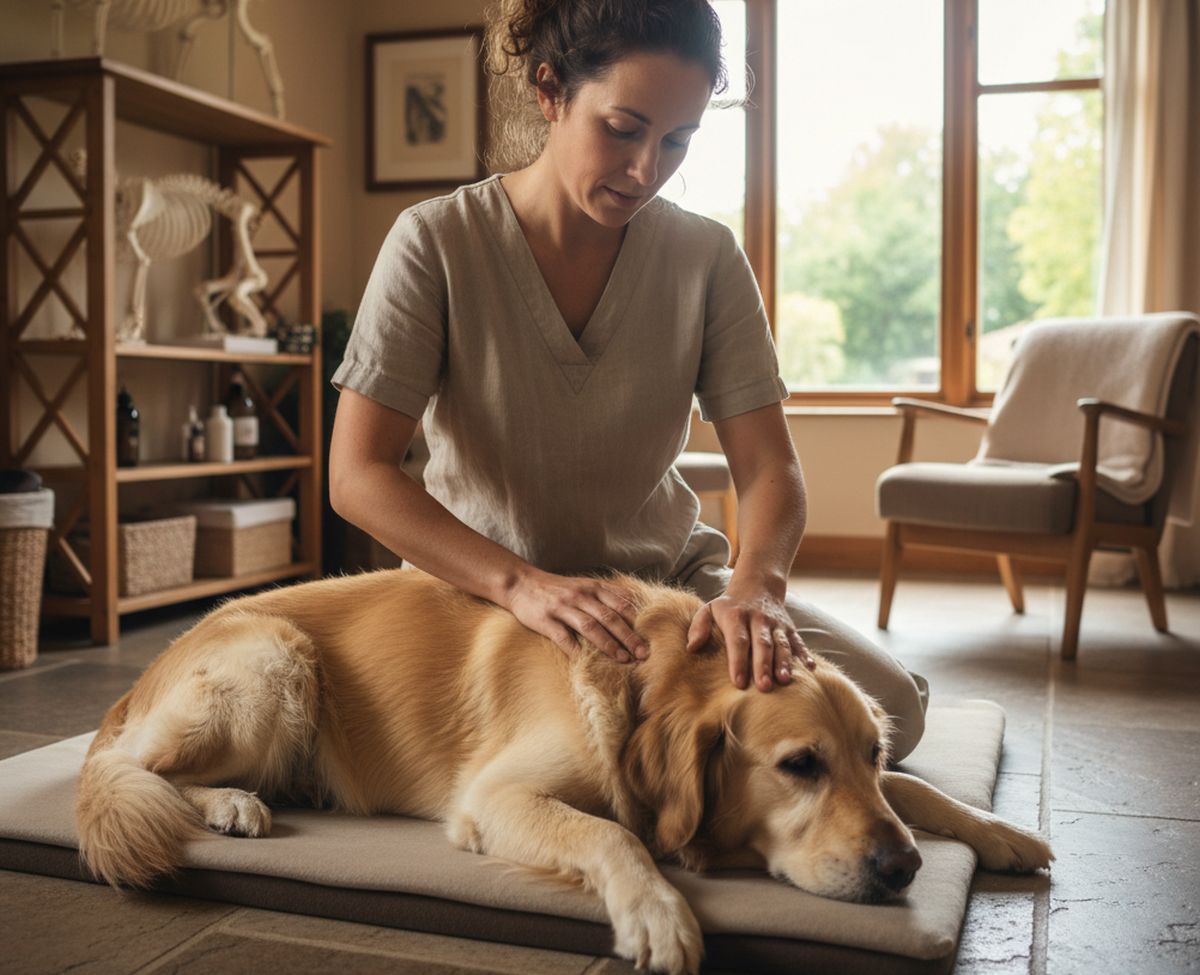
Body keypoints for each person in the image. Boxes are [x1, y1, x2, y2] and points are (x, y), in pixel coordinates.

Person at [329, 0, 927, 760]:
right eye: (622, 129)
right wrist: (520, 585)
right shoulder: (435, 243)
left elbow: (771, 466)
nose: (648, 170)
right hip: (482, 593)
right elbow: (357, 474)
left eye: (678, 140)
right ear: (550, 92)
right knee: (581, 752)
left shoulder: (706, 258)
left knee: (891, 713)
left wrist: (756, 590)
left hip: (670, 592)